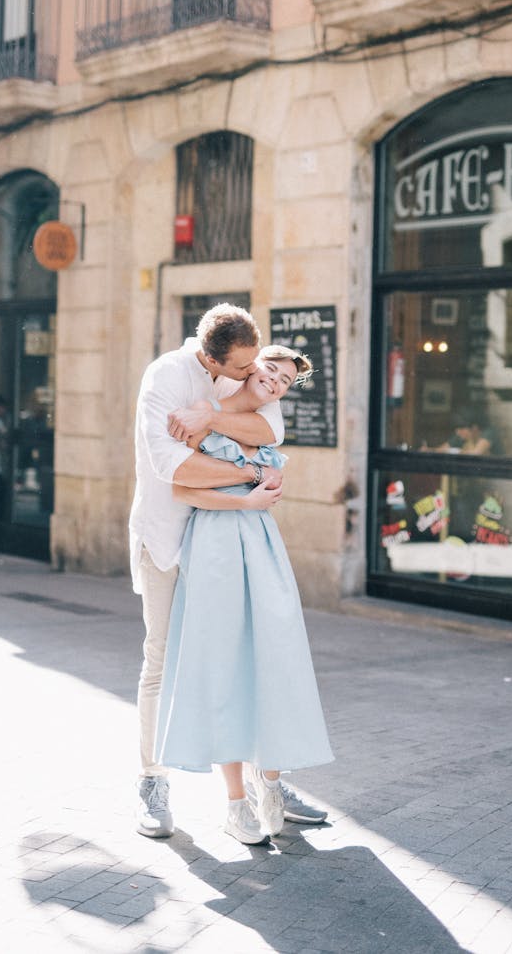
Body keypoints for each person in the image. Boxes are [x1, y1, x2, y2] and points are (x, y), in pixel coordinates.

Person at [130, 304, 325, 839]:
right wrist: (248, 474)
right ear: (214, 360)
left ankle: (268, 776)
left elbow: (267, 427)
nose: (255, 374)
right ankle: (153, 781)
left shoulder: (249, 382)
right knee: (161, 658)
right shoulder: (168, 378)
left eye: (259, 366)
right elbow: (176, 469)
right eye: (245, 368)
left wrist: (221, 424)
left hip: (227, 546)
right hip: (169, 537)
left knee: (251, 654)